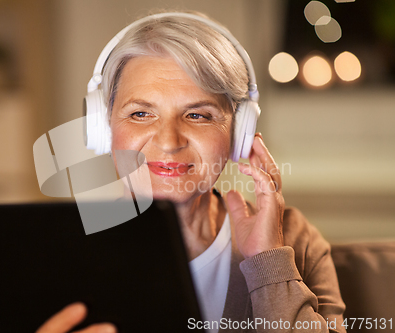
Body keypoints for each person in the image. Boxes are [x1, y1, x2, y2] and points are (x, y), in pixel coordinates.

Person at [37, 11, 346, 333]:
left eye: (198, 115)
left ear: (238, 133)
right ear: (103, 128)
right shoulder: (56, 249)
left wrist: (268, 262)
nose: (169, 141)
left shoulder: (294, 240)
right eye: (141, 113)